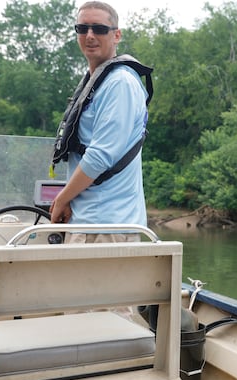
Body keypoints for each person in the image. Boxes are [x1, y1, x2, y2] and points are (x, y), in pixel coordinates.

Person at [50, 1, 149, 243]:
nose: (90, 35)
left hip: (106, 227)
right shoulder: (95, 81)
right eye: (82, 29)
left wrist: (62, 199)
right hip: (87, 222)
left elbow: (100, 156)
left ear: (116, 35)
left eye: (99, 29)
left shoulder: (120, 83)